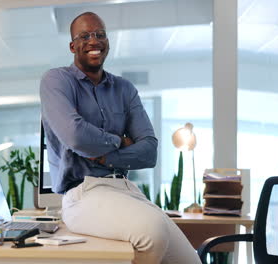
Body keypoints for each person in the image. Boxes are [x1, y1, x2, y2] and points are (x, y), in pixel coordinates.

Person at [40, 12, 201, 264]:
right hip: (84, 192)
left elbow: (149, 152)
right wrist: (120, 140)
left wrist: (104, 155)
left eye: (100, 35)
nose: (94, 41)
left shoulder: (124, 89)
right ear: (72, 46)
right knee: (152, 232)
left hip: (126, 190)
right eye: (84, 36)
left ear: (108, 42)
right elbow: (75, 135)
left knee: (191, 261)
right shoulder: (57, 80)